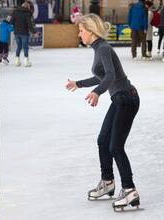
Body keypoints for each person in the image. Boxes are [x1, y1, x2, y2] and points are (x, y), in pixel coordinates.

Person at [65, 14, 140, 211]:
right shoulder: (99, 48)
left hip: (127, 98)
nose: (80, 34)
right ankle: (107, 182)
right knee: (103, 140)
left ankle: (130, 190)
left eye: (81, 31)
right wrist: (78, 84)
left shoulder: (104, 48)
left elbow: (110, 75)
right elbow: (101, 76)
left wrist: (98, 92)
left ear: (90, 31)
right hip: (121, 99)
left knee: (115, 146)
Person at [10, 1, 37, 67]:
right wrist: (34, 32)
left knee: (19, 47)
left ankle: (17, 61)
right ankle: (26, 62)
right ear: (27, 7)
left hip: (16, 33)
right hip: (24, 33)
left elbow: (11, 22)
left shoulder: (15, 12)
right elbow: (29, 24)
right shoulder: (27, 13)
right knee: (25, 47)